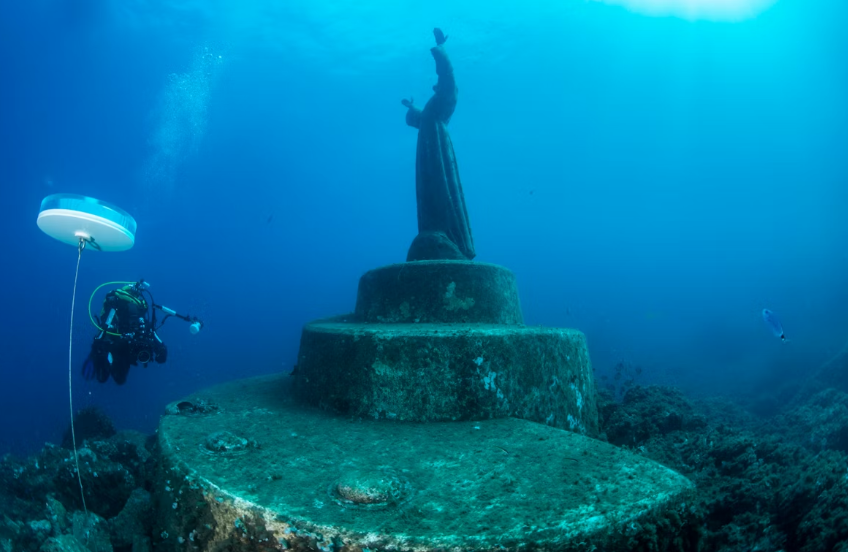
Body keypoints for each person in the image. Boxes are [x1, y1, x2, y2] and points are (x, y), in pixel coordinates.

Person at [401, 27, 476, 262]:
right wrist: (411, 108)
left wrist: (441, 49)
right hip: (428, 153)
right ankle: (436, 233)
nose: (436, 87)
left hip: (438, 153)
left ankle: (451, 238)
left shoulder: (442, 104)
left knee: (442, 190)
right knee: (431, 190)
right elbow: (420, 118)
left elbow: (448, 78)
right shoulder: (432, 113)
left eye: (438, 86)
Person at [82, 280, 167, 385]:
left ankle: (108, 361)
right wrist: (97, 350)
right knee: (105, 376)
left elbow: (150, 332)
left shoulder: (140, 318)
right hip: (115, 347)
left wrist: (161, 347)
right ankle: (106, 360)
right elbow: (104, 330)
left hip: (125, 351)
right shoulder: (117, 310)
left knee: (119, 379)